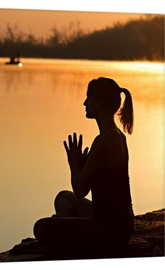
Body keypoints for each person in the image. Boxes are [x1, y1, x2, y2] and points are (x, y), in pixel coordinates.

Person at [33, 77, 135, 258]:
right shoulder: (115, 135)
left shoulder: (106, 140)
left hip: (112, 228)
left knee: (41, 227)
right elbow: (86, 187)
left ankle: (78, 242)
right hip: (115, 221)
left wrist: (73, 164)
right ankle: (73, 231)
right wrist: (83, 167)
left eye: (89, 97)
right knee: (63, 198)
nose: (84, 102)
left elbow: (80, 190)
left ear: (100, 101)